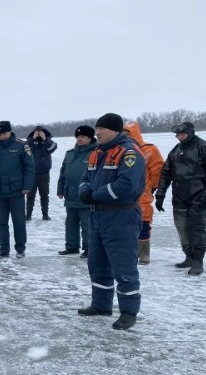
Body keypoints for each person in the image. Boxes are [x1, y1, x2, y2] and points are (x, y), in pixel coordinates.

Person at [77, 113, 145, 330]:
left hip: (121, 217)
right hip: (98, 217)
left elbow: (126, 185)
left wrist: (95, 195)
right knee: (97, 264)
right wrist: (84, 191)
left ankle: (128, 312)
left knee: (123, 265)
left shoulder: (129, 153)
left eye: (101, 129)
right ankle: (101, 305)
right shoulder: (96, 153)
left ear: (115, 131)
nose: (97, 133)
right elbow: (85, 178)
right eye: (96, 128)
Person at [155, 121, 206, 275]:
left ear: (191, 132)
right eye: (177, 134)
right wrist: (160, 195)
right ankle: (189, 256)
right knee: (182, 226)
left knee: (197, 227)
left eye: (182, 134)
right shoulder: (175, 151)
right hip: (179, 194)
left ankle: (198, 261)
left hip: (199, 193)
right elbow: (165, 173)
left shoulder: (205, 147)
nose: (179, 137)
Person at [0, 121, 35, 258]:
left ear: (10, 131)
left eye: (4, 133)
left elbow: (30, 167)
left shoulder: (21, 146)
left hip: (17, 191)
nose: (1, 136)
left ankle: (20, 249)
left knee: (19, 222)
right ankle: (4, 250)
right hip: (0, 192)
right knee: (1, 223)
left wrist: (27, 186)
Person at [122, 122, 165, 265]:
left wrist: (152, 187)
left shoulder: (149, 149)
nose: (125, 136)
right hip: (124, 193)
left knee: (143, 222)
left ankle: (144, 253)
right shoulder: (119, 149)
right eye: (123, 134)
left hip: (143, 193)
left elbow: (157, 170)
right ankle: (132, 251)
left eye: (127, 133)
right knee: (126, 223)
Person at [56, 125, 97, 258]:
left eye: (83, 137)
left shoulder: (96, 153)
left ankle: (89, 249)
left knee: (87, 224)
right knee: (71, 223)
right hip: (70, 194)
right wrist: (60, 189)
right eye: (78, 137)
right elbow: (63, 173)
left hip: (86, 195)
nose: (79, 139)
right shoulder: (70, 154)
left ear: (90, 138)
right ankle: (71, 247)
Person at [25, 126, 58, 220]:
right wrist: (32, 138)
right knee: (30, 196)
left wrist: (45, 139)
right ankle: (28, 215)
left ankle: (45, 214)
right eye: (37, 132)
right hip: (31, 173)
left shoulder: (47, 142)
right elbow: (25, 149)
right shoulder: (30, 142)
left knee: (44, 195)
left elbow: (53, 147)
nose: (39, 134)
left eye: (41, 132)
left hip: (44, 173)